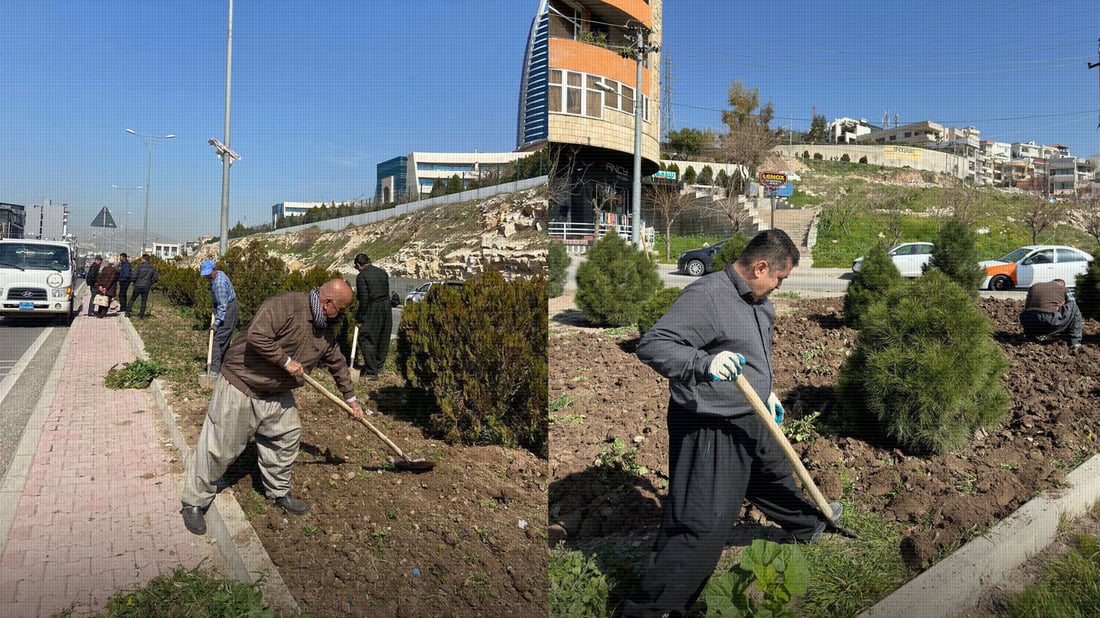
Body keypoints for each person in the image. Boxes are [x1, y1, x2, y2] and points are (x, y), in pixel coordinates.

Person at [623, 229, 839, 617]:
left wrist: (766, 390)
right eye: (779, 277)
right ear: (760, 267)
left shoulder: (760, 303)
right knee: (701, 525)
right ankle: (651, 610)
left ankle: (810, 526)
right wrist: (704, 364)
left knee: (770, 474)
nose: (779, 286)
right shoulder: (707, 297)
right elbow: (653, 345)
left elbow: (751, 353)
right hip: (710, 424)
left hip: (750, 411)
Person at [180, 279, 365, 535]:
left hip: (276, 391)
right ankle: (193, 502)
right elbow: (257, 335)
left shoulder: (325, 328)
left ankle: (278, 492)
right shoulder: (285, 305)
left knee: (287, 436)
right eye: (341, 309)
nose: (341, 315)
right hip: (242, 384)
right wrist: (285, 360)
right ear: (327, 303)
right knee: (218, 447)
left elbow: (336, 361)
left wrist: (351, 398)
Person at [352, 253, 392, 376]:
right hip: (386, 306)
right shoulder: (382, 272)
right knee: (383, 336)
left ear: (359, 265)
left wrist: (359, 318)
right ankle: (379, 366)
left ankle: (371, 371)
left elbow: (364, 299)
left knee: (366, 338)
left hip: (373, 307)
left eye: (356, 267)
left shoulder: (362, 276)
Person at [200, 259, 239, 375]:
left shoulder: (219, 284)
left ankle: (214, 370)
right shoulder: (219, 274)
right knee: (224, 340)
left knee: (215, 339)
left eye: (208, 273)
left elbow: (223, 306)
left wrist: (216, 324)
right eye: (205, 274)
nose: (207, 277)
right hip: (227, 307)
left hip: (228, 310)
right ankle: (226, 367)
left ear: (214, 270)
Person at [1020, 278, 1082, 350]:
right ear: (1061, 284)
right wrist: (1062, 306)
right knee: (1074, 308)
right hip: (1051, 321)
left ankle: (1030, 337)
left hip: (1028, 321)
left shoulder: (1034, 286)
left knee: (1030, 312)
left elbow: (1026, 307)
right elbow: (1072, 303)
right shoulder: (1064, 289)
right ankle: (1075, 342)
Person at [128, 254, 158, 318]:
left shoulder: (139, 267)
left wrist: (134, 282)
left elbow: (134, 276)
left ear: (143, 259)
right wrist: (150, 283)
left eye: (141, 259)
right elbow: (155, 278)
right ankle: (141, 315)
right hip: (146, 286)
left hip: (138, 286)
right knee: (144, 301)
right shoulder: (152, 268)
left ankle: (127, 312)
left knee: (132, 299)